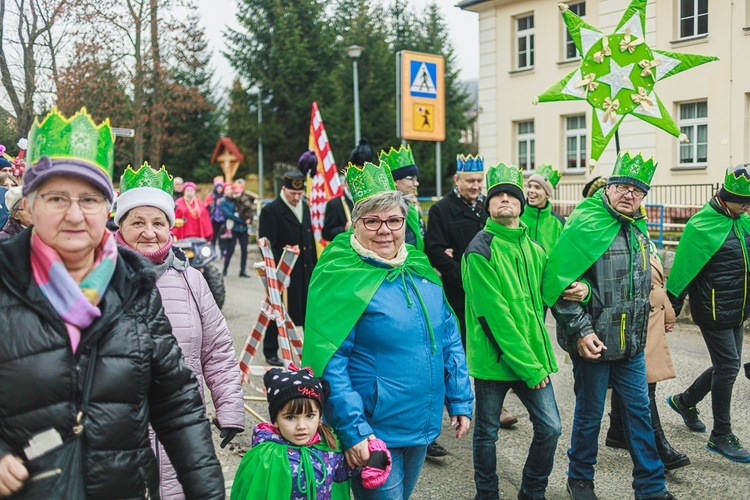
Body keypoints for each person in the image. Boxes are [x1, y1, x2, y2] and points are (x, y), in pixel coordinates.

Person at [0, 107, 223, 498]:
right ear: (28, 207)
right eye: (55, 198)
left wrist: (207, 493)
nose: (74, 214)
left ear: (108, 210)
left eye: (89, 199)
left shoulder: (133, 286)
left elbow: (176, 401)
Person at [302, 160, 473, 499]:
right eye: (373, 221)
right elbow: (330, 363)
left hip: (421, 423)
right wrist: (353, 430)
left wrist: (460, 397)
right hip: (373, 431)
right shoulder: (341, 275)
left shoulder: (418, 268)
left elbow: (449, 337)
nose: (385, 230)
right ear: (356, 224)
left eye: (394, 220)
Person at [543, 152, 673, 500]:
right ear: (610, 186)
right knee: (589, 416)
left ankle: (651, 486)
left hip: (630, 345)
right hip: (595, 342)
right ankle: (580, 479)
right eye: (623, 186)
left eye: (638, 190)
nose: (629, 194)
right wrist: (582, 330)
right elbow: (560, 286)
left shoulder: (637, 227)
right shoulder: (586, 221)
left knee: (639, 415)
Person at [113, 163, 245, 498]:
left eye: (158, 222)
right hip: (118, 434)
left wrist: (229, 409)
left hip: (180, 430)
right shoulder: (99, 278)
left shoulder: (192, 279)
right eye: (137, 222)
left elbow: (217, 350)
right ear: (120, 225)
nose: (149, 232)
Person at [463, 162, 561, 500]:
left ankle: (532, 492)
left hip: (532, 356)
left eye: (512, 195)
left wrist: (583, 290)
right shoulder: (480, 249)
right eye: (498, 196)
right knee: (487, 432)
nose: (505, 200)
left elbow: (555, 291)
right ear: (488, 205)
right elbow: (494, 317)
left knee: (551, 427)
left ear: (521, 204)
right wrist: (529, 367)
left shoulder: (534, 250)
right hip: (497, 360)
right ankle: (487, 494)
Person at [423, 154, 516, 454]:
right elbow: (435, 250)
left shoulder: (486, 208)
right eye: (471, 181)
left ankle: (493, 407)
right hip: (457, 294)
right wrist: (461, 276)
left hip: (489, 293)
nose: (476, 186)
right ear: (457, 180)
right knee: (456, 353)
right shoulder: (441, 210)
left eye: (480, 181)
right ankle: (453, 405)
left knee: (490, 349)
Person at [665, 165, 750, 463]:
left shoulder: (740, 221)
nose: (748, 208)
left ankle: (685, 401)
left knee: (727, 364)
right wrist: (670, 311)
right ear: (727, 198)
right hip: (712, 309)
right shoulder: (701, 225)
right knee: (728, 367)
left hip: (737, 309)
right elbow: (681, 273)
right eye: (745, 203)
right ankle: (721, 435)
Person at [230, 364, 392, 499]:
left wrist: (373, 457)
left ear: (320, 417)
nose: (302, 425)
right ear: (275, 421)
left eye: (309, 415)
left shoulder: (327, 446)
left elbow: (342, 471)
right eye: (291, 417)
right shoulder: (265, 458)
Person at [605, 240, 690, 470]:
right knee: (644, 384)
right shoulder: (616, 236)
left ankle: (617, 431)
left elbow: (658, 284)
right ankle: (659, 447)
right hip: (631, 321)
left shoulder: (645, 239)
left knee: (636, 379)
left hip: (649, 320)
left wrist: (669, 314)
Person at [258, 171, 317, 366]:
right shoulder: (271, 210)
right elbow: (267, 243)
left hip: (305, 269)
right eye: (293, 193)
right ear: (284, 189)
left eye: (299, 194)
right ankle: (270, 350)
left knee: (307, 310)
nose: (296, 197)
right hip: (284, 270)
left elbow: (309, 240)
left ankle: (307, 349)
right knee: (278, 310)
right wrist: (276, 270)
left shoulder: (305, 207)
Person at [322, 140, 373, 241]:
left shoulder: (371, 201)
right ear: (346, 181)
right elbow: (326, 233)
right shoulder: (335, 204)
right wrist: (344, 229)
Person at [379, 145, 424, 251]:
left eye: (416, 179)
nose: (416, 183)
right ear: (394, 181)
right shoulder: (379, 209)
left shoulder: (411, 207)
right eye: (411, 178)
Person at [520, 163, 564, 253]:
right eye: (529, 186)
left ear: (547, 195)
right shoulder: (517, 215)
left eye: (537, 187)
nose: (531, 191)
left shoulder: (559, 223)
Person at [221, 183, 251, 278]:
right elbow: (229, 215)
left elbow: (247, 209)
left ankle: (243, 270)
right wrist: (243, 221)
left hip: (243, 229)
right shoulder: (223, 202)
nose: (230, 191)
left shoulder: (238, 199)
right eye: (227, 190)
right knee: (230, 249)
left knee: (244, 250)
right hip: (233, 229)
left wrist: (249, 218)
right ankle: (225, 269)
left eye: (231, 189)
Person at [205, 179, 227, 249]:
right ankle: (212, 250)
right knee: (213, 236)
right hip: (213, 219)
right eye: (218, 187)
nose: (219, 189)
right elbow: (206, 205)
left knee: (221, 237)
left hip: (222, 219)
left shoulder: (224, 196)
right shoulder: (211, 196)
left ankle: (223, 252)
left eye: (221, 187)